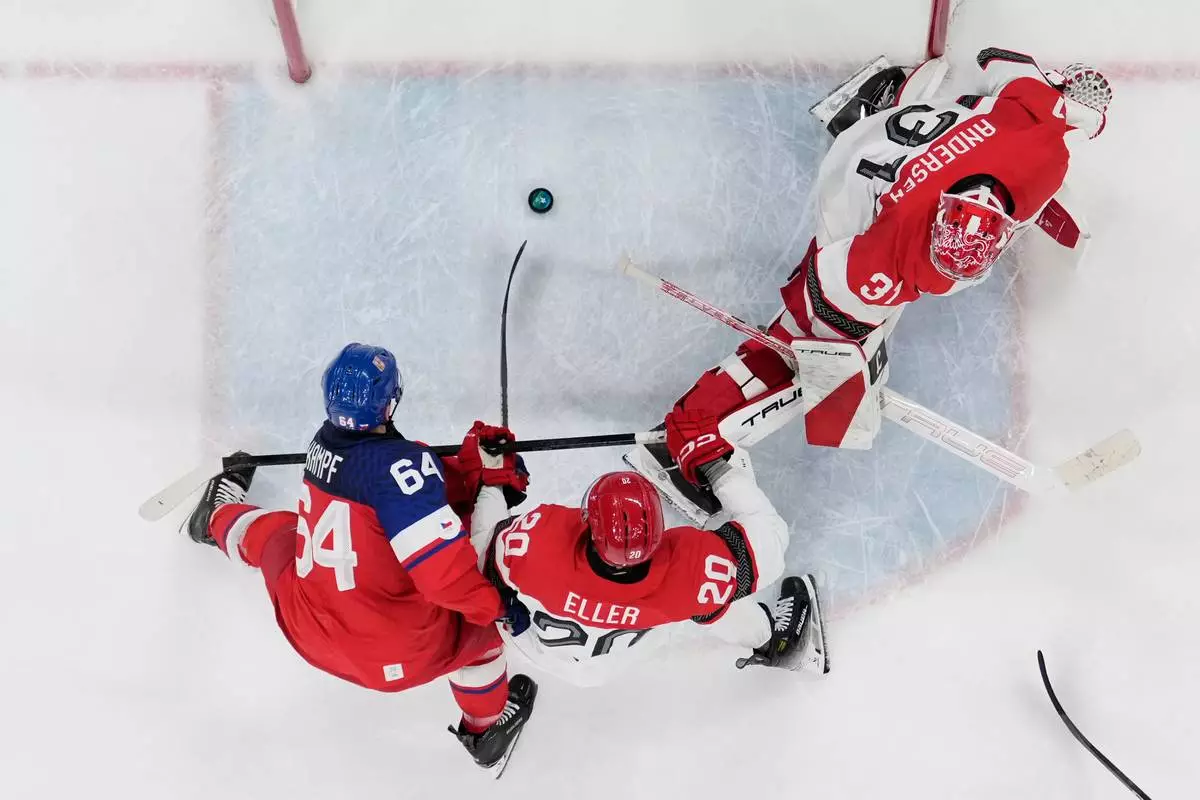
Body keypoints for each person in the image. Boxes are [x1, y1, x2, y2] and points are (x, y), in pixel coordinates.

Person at [627, 48, 1114, 518]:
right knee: (795, 348)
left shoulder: (1030, 101)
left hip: (891, 147)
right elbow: (828, 294)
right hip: (853, 203)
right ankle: (686, 440)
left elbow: (996, 57)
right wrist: (839, 357)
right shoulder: (1042, 164)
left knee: (838, 337)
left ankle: (879, 104)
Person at [184, 343, 535, 771]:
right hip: (398, 653)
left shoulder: (322, 443)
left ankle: (214, 518)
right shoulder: (401, 470)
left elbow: (403, 473)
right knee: (481, 635)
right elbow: (444, 578)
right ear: (389, 403)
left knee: (279, 534)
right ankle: (484, 731)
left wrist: (468, 468)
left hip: (311, 630)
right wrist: (499, 607)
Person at [467, 412, 828, 687]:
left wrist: (493, 477)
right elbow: (771, 533)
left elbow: (481, 547)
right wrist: (714, 465)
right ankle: (772, 641)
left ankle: (483, 716)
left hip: (533, 650)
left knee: (482, 585)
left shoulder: (537, 543)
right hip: (615, 662)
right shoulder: (688, 571)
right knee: (707, 598)